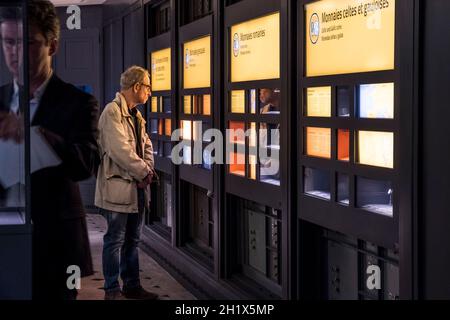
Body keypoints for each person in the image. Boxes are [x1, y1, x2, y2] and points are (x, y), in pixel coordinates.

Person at [0, 1, 99, 299]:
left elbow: (86, 165)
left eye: (27, 42)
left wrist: (38, 136)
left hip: (57, 243)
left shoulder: (78, 102)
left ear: (52, 46)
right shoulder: (0, 99)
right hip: (5, 238)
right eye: (8, 42)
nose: (15, 52)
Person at [95, 66, 157, 300]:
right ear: (137, 86)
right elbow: (120, 151)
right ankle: (112, 290)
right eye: (148, 87)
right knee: (115, 240)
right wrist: (143, 172)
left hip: (138, 188)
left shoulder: (136, 115)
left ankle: (132, 286)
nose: (150, 92)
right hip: (119, 189)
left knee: (133, 240)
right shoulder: (112, 112)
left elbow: (147, 145)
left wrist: (147, 170)